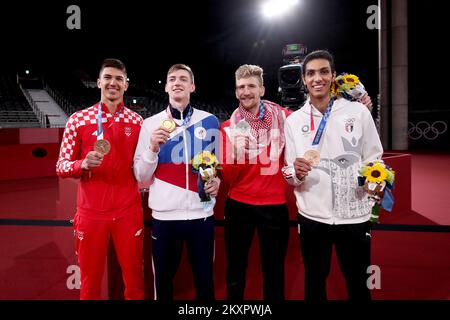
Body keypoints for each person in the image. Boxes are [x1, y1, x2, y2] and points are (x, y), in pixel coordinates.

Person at [283, 50, 383, 301]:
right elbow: (289, 171)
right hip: (312, 217)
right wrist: (295, 173)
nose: (318, 78)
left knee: (359, 284)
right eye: (311, 73)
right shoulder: (294, 121)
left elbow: (374, 157)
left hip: (354, 215)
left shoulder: (357, 113)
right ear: (304, 79)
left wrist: (374, 185)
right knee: (315, 282)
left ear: (334, 75)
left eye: (324, 71)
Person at [56, 58, 145, 300]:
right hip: (91, 213)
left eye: (119, 78)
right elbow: (61, 166)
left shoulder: (138, 122)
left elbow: (144, 166)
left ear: (126, 85)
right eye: (108, 77)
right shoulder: (78, 119)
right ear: (98, 82)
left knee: (135, 280)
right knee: (90, 282)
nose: (113, 83)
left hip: (128, 212)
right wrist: (81, 164)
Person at [134, 64, 220, 301]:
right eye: (172, 79)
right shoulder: (150, 124)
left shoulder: (210, 121)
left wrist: (217, 182)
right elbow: (141, 176)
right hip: (164, 218)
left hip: (201, 216)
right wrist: (152, 149)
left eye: (183, 79)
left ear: (192, 86)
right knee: (163, 282)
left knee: (205, 281)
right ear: (166, 86)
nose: (177, 83)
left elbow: (217, 166)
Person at [220, 64, 291, 301]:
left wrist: (359, 101)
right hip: (239, 205)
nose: (246, 91)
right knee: (236, 269)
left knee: (274, 270)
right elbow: (228, 178)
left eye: (251, 86)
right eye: (241, 87)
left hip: (274, 206)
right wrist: (236, 154)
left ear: (262, 89)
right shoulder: (228, 127)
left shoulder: (285, 118)